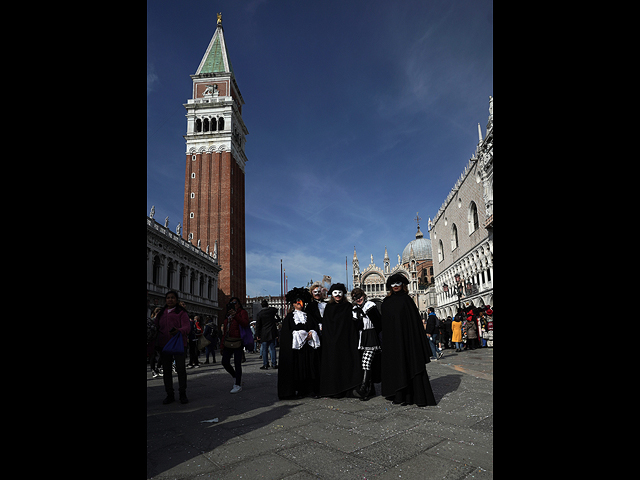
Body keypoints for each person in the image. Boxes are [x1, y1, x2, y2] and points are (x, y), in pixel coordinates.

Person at [380, 273, 436, 407]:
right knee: (396, 366)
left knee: (409, 365)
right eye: (393, 284)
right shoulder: (386, 302)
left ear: (403, 285)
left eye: (398, 283)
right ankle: (398, 394)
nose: (395, 286)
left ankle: (411, 396)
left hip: (407, 341)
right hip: (393, 343)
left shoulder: (407, 300)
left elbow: (414, 323)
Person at [319, 283, 362, 398]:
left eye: (340, 293)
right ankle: (334, 390)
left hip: (345, 341)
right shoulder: (328, 308)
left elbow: (352, 324)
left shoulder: (348, 307)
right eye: (335, 293)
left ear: (343, 294)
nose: (338, 295)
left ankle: (348, 389)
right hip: (332, 342)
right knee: (334, 364)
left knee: (345, 364)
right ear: (332, 295)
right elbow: (327, 325)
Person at [277, 287, 321, 399]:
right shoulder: (289, 318)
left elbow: (314, 327)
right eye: (297, 302)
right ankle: (297, 390)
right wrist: (299, 335)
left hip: (308, 350)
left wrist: (312, 334)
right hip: (296, 351)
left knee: (309, 368)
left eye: (301, 302)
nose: (300, 304)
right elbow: (287, 335)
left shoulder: (308, 316)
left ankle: (309, 390)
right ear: (293, 304)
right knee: (297, 370)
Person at [154, 291, 191, 404]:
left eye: (173, 298)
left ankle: (182, 393)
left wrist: (178, 330)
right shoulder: (161, 313)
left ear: (176, 300)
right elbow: (155, 327)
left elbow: (187, 327)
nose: (170, 300)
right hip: (164, 345)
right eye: (168, 298)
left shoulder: (181, 313)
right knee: (167, 371)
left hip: (179, 344)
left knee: (180, 369)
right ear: (165, 300)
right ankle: (169, 394)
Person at [351, 288, 381, 401]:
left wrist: (366, 313)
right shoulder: (355, 309)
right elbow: (356, 327)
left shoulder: (370, 305)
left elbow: (378, 322)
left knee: (366, 362)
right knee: (366, 365)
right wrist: (357, 318)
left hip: (371, 336)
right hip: (361, 338)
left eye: (359, 296)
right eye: (355, 297)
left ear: (363, 295)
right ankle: (370, 390)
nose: (358, 299)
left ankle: (363, 388)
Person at [220, 297, 250, 394]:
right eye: (231, 303)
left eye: (235, 303)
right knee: (225, 362)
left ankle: (237, 384)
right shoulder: (227, 315)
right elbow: (225, 331)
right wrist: (222, 344)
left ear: (239, 304)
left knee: (237, 363)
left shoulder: (242, 312)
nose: (234, 304)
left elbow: (245, 323)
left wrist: (235, 315)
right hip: (228, 341)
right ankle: (235, 376)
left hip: (238, 341)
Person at [256, 299, 280, 370]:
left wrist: (257, 334)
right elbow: (276, 309)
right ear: (267, 305)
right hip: (272, 332)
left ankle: (265, 364)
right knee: (272, 349)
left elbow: (258, 325)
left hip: (263, 333)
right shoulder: (271, 311)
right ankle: (274, 364)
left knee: (264, 350)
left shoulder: (260, 314)